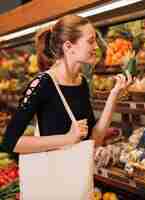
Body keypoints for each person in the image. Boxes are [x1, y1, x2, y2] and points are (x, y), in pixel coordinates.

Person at [2, 15, 132, 155]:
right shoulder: (42, 83)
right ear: (69, 47)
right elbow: (10, 142)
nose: (96, 46)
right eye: (90, 41)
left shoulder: (81, 83)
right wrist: (67, 138)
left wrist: (113, 96)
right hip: (51, 175)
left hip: (78, 175)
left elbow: (94, 141)